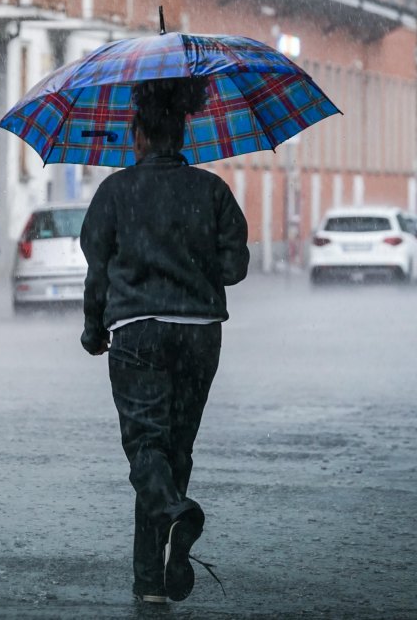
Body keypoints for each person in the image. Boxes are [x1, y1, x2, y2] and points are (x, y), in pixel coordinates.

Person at [79, 77, 249, 604]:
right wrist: (191, 263)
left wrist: (92, 326)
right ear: (184, 133)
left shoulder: (114, 191)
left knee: (145, 447)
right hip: (199, 335)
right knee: (175, 448)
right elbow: (235, 267)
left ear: (140, 135)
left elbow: (97, 268)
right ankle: (152, 583)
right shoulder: (213, 191)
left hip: (135, 333)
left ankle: (177, 515)